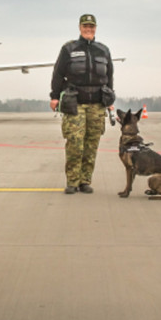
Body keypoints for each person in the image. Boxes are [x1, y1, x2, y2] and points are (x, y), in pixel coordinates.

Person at [50, 14, 115, 194]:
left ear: (95, 28)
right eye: (85, 26)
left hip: (97, 104)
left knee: (91, 144)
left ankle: (85, 181)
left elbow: (109, 77)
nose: (88, 29)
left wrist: (110, 100)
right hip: (75, 103)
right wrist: (54, 97)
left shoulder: (103, 50)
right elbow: (57, 74)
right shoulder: (69, 48)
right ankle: (72, 181)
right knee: (75, 143)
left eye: (91, 26)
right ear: (80, 27)